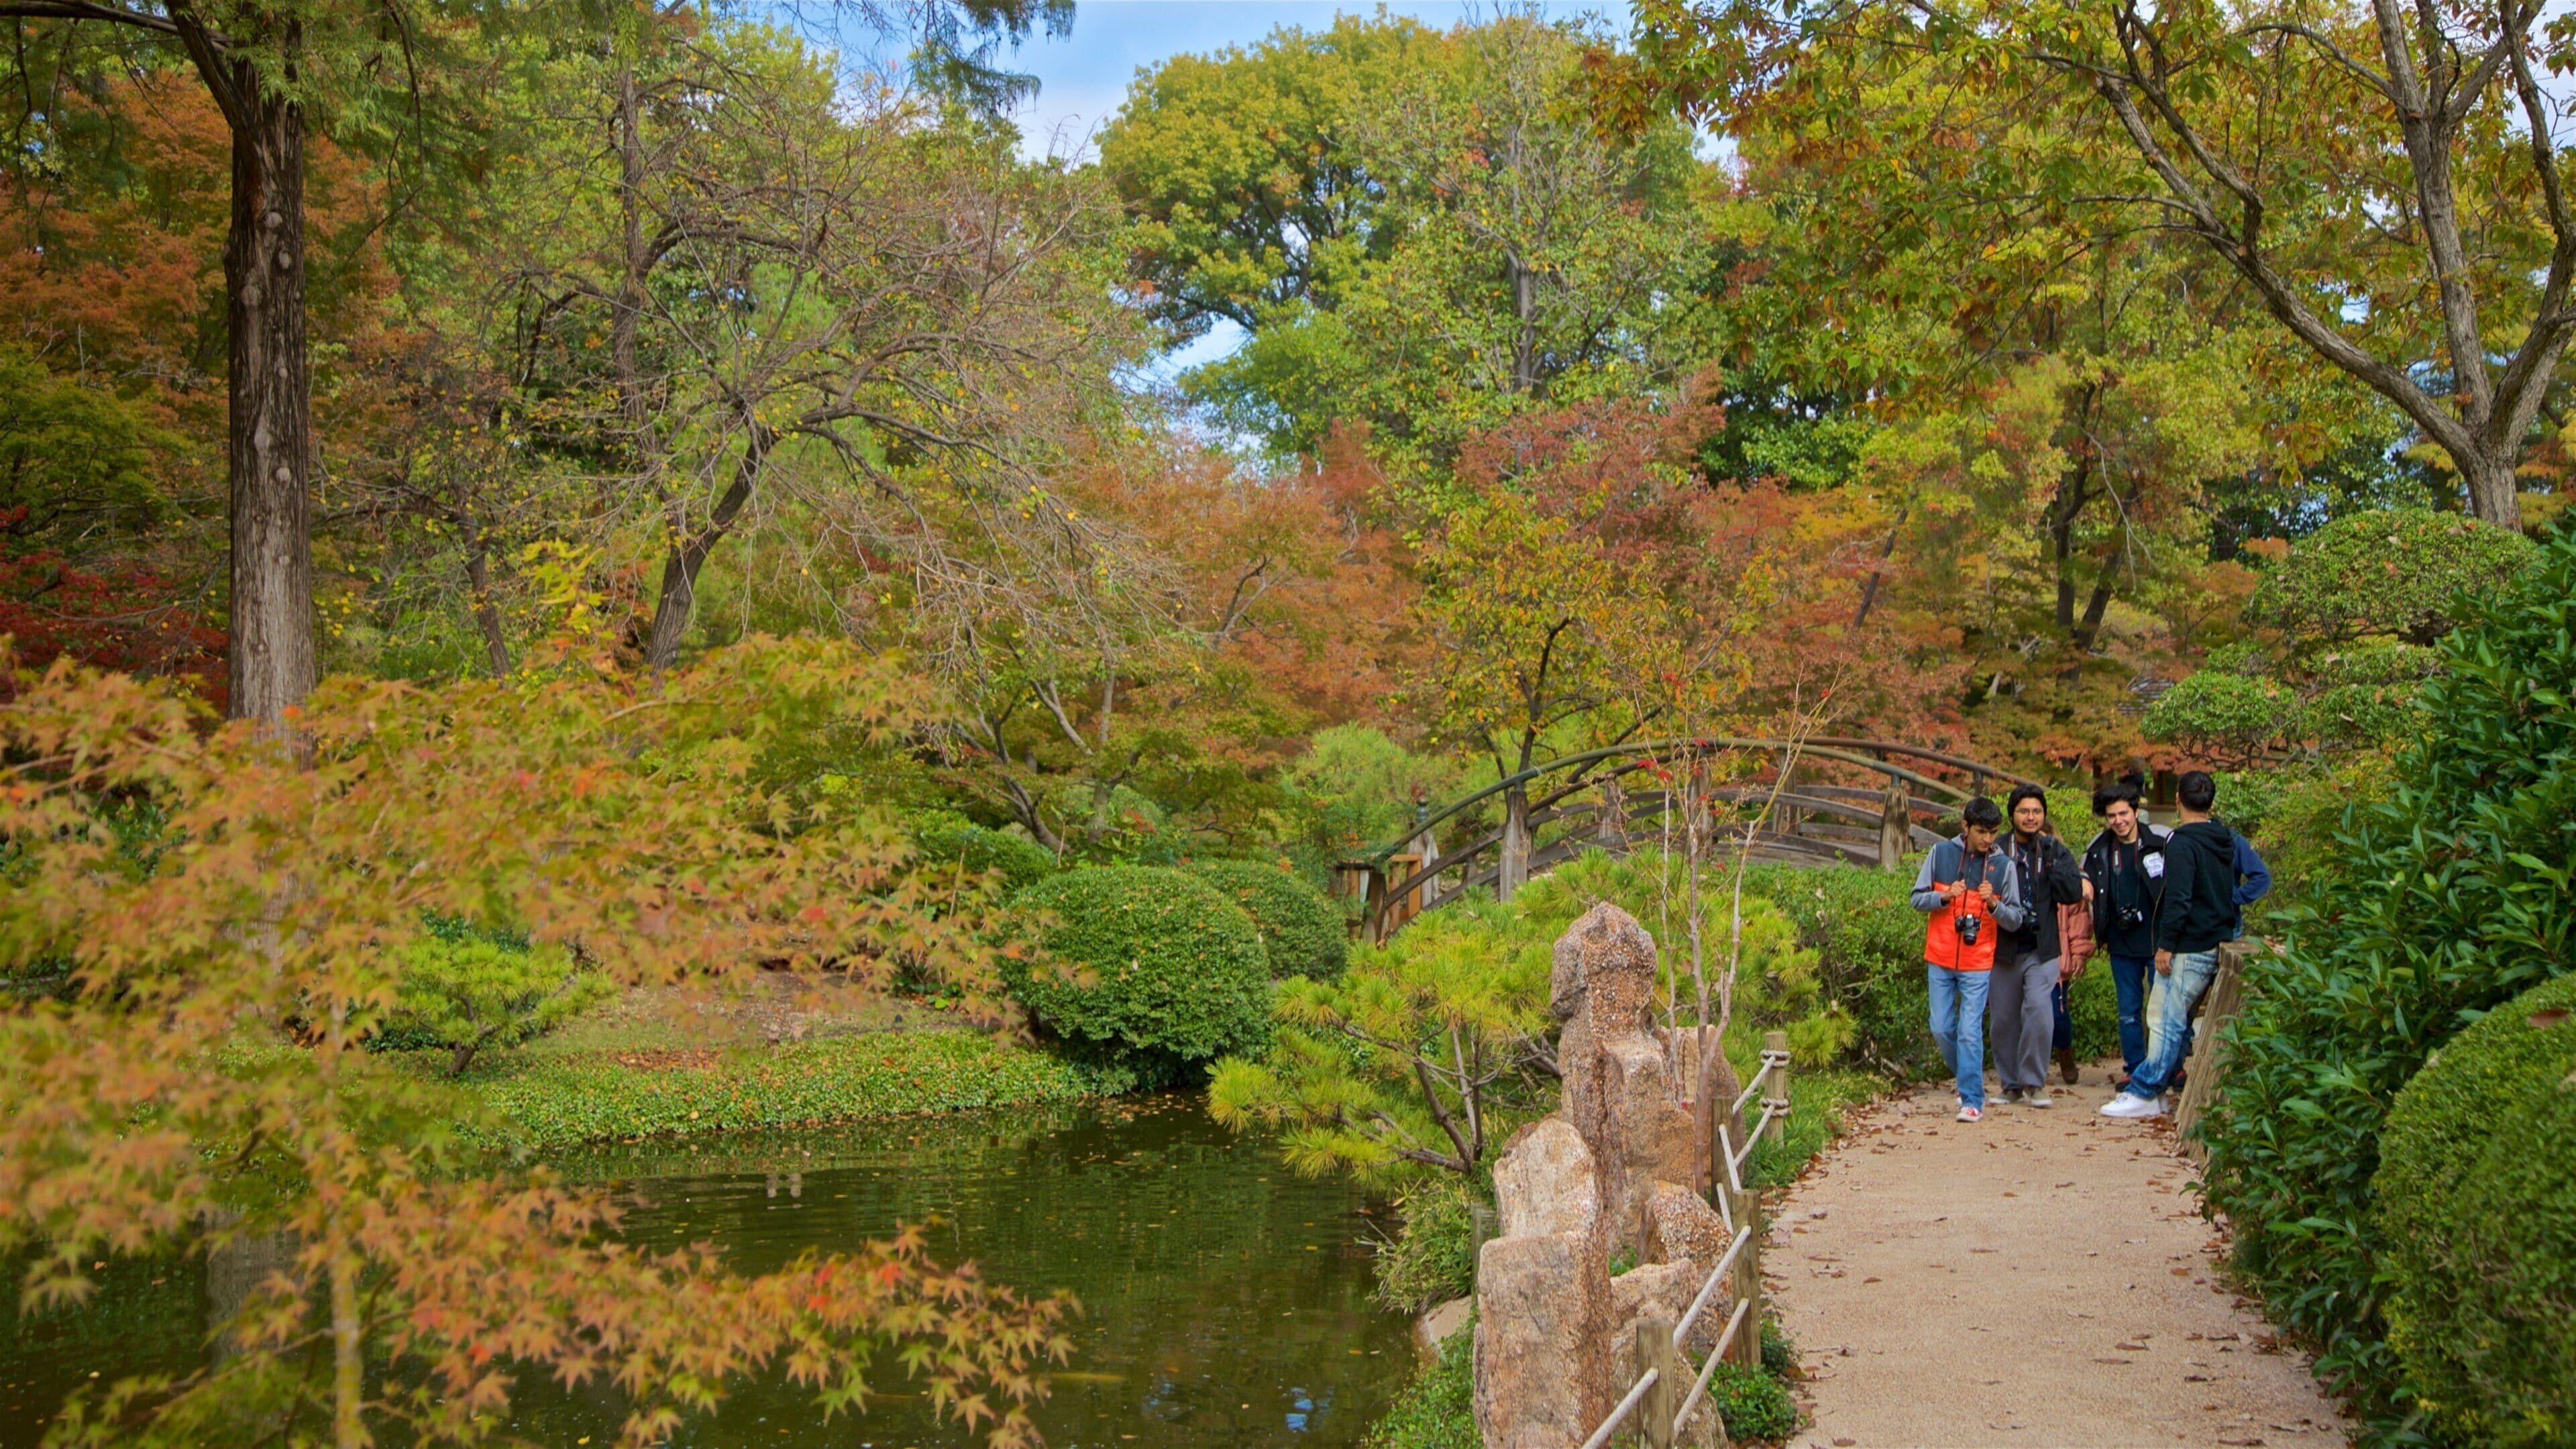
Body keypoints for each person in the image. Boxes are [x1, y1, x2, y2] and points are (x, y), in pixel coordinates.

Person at [2101, 771, 2242, 1118]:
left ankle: (2145, 1090)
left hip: (2190, 944)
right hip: (2217, 935)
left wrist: (2165, 945)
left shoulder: (2181, 841)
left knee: (2164, 1018)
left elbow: (2178, 898)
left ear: (2178, 798)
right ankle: (2157, 1091)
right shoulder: (2224, 837)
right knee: (2174, 1019)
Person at [1911, 796, 2025, 1123]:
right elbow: (1916, 899)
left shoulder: (2004, 866)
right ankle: (1966, 1080)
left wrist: (1993, 906)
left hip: (1979, 960)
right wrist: (1944, 897)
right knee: (1941, 1028)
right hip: (1940, 955)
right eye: (1981, 832)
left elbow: (2016, 919)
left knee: (1969, 1031)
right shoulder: (1940, 854)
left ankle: (1972, 1099)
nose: (1988, 839)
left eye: (1993, 832)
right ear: (1965, 827)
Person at [1989, 786, 2083, 1108]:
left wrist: (2053, 865)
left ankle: (2034, 1082)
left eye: (2037, 812)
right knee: (2003, 1019)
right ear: (2012, 815)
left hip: (2042, 946)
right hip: (2003, 946)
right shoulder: (1998, 849)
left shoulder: (2054, 849)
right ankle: (2010, 1084)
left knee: (2041, 1014)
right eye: (2024, 811)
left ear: (2044, 815)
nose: (2031, 817)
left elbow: (2073, 893)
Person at [2081, 782, 2169, 1081]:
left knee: (2163, 1010)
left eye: (2123, 813)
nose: (2118, 821)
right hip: (2121, 941)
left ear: (2136, 812)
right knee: (2129, 1011)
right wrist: (2083, 880)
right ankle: (2135, 1068)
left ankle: (2168, 1066)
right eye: (2111, 816)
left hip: (2159, 941)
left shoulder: (2159, 840)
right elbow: (2080, 870)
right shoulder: (2100, 847)